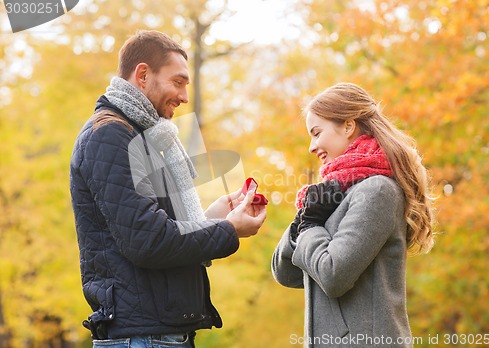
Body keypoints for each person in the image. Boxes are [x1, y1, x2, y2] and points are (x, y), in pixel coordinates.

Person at [70, 30, 266, 347]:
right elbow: (149, 241)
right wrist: (228, 230)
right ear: (143, 74)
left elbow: (155, 228)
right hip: (143, 338)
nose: (185, 96)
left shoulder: (141, 137)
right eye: (178, 82)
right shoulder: (110, 136)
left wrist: (215, 216)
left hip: (158, 335)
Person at [272, 82, 434, 347]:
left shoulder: (378, 190)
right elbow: (286, 273)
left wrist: (310, 225)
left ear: (348, 125)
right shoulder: (332, 194)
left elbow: (333, 276)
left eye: (317, 132)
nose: (312, 147)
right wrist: (302, 221)